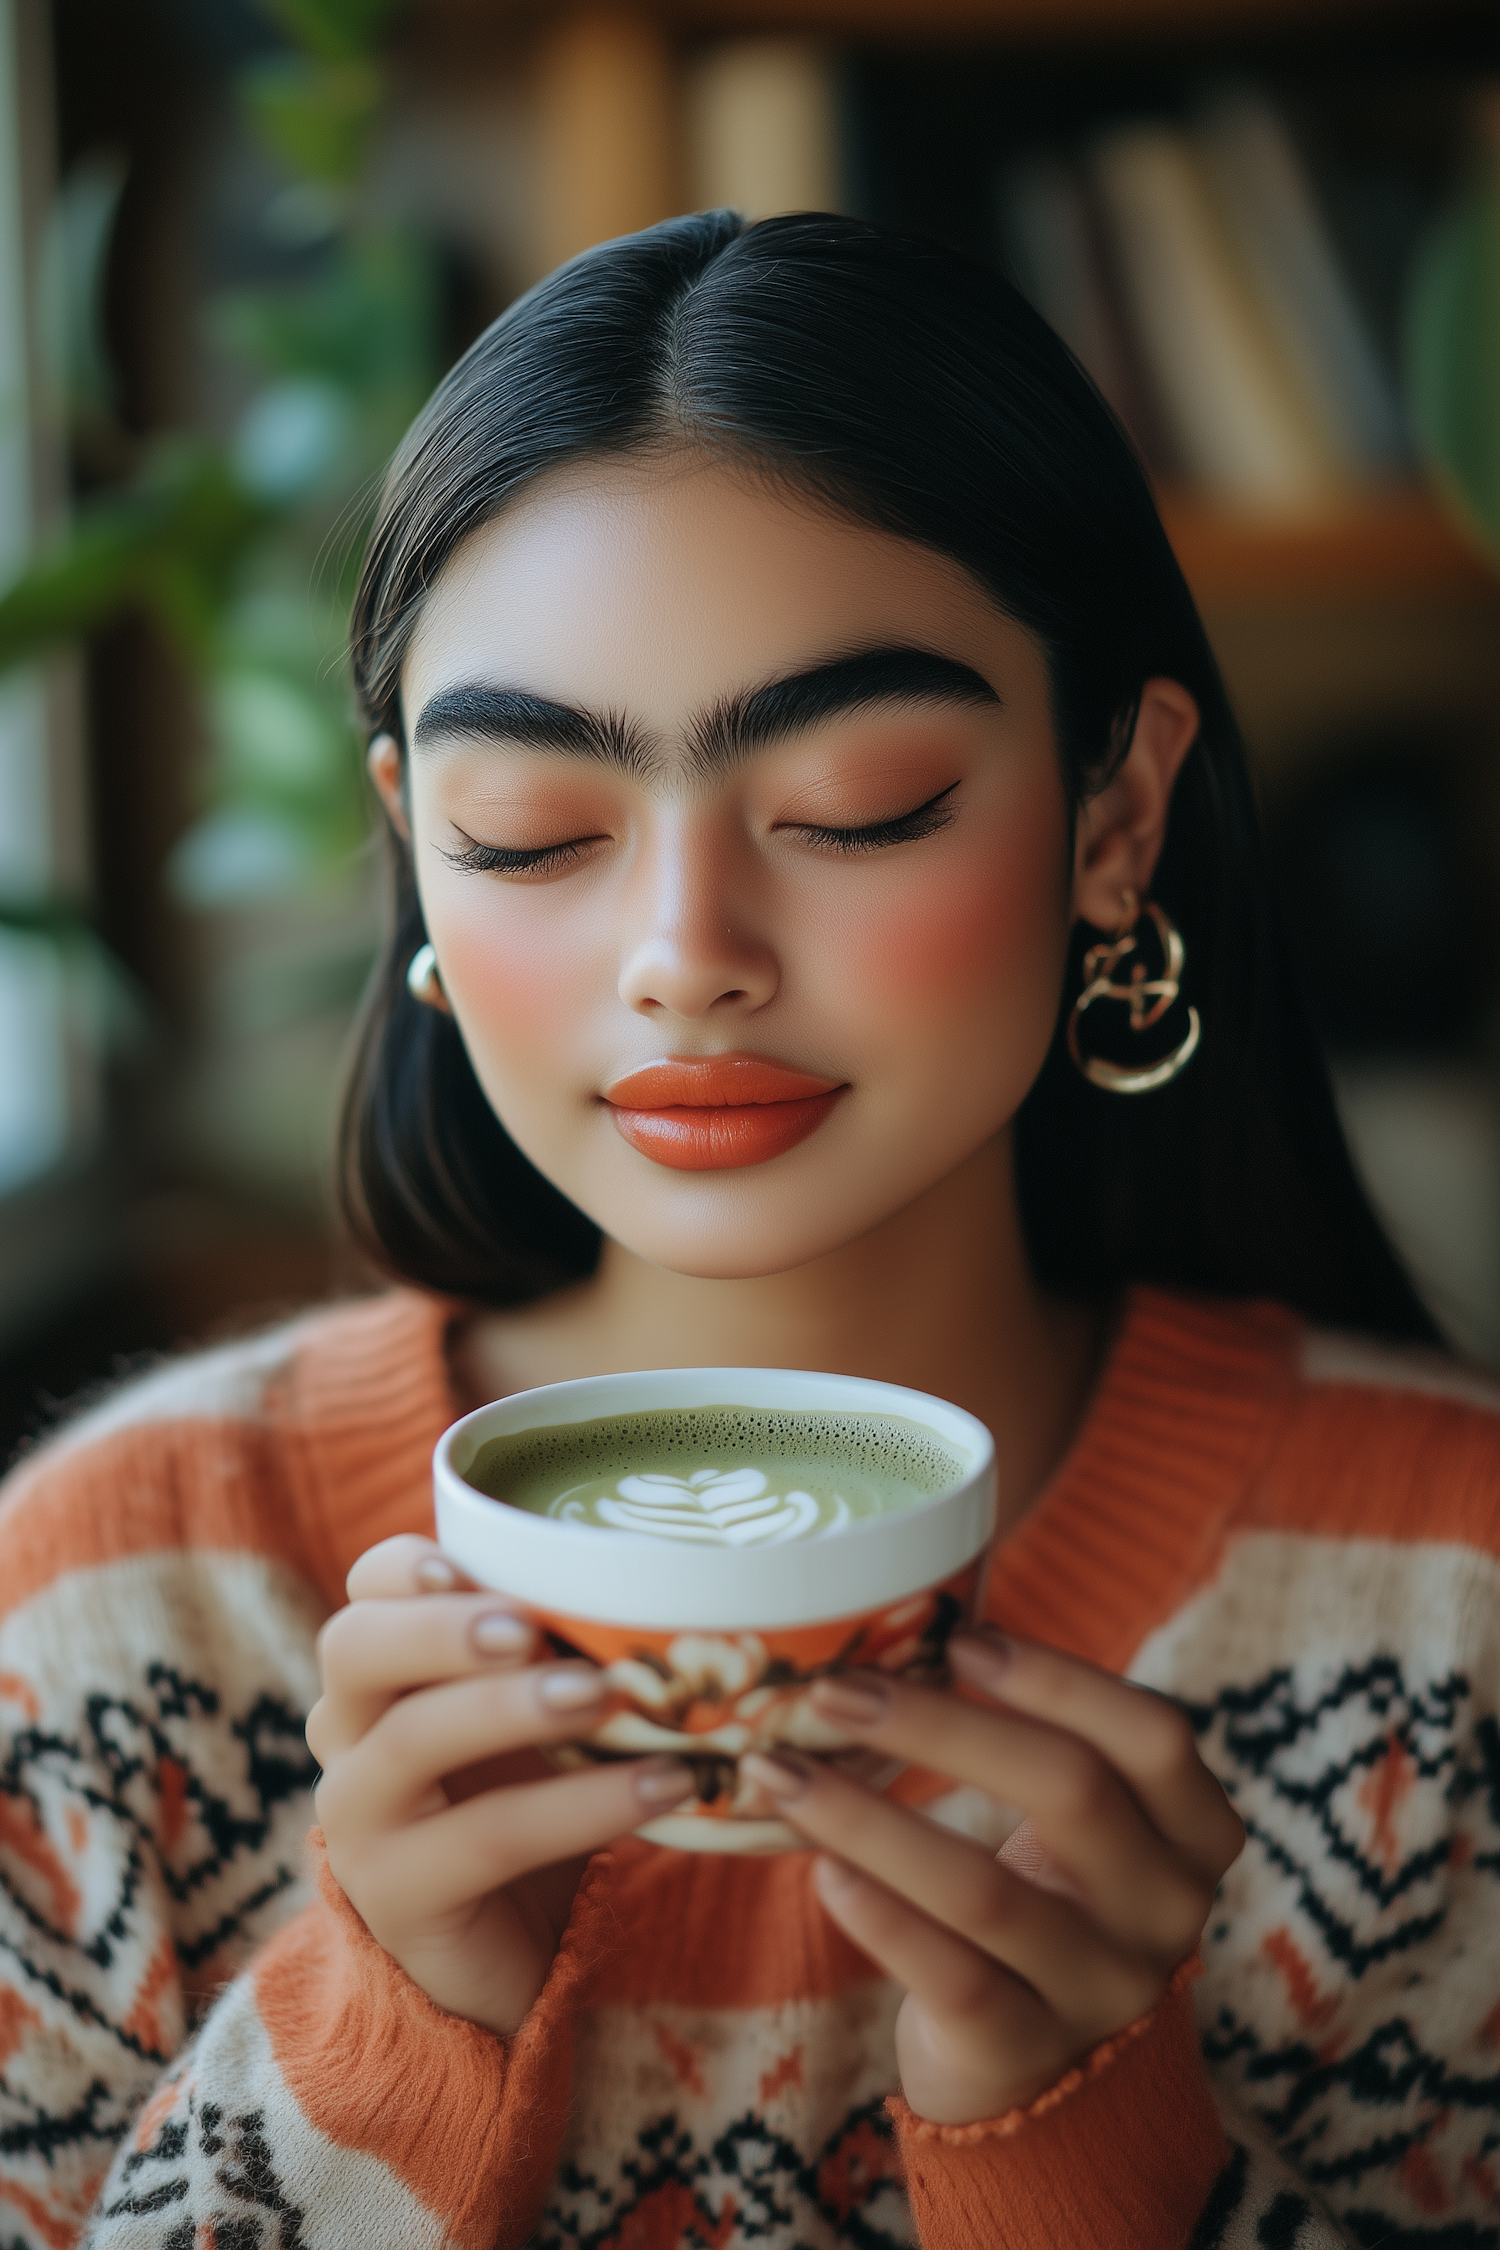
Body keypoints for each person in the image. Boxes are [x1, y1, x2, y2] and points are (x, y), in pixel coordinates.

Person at [1, 210, 1496, 2250]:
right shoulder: (107, 1610)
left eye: (861, 801)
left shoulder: (1458, 1609)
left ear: (1114, 818)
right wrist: (377, 2055)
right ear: (414, 862)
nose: (684, 959)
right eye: (530, 832)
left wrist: (1098, 2174)